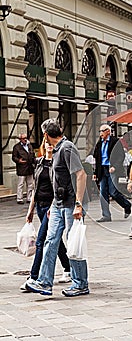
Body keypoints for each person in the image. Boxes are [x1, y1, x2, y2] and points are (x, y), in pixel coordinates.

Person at [25, 118, 89, 297]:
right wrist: (54, 204)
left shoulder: (67, 148)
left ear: (46, 135)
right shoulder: (55, 150)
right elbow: (56, 180)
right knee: (50, 241)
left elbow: (81, 175)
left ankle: (80, 283)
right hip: (58, 204)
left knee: (73, 244)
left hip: (70, 205)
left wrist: (78, 204)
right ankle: (44, 282)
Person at [20, 138, 71, 290]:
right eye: (46, 143)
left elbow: (59, 187)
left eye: (51, 144)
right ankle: (69, 269)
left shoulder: (58, 163)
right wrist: (30, 210)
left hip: (53, 207)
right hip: (40, 207)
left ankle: (34, 277)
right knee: (54, 240)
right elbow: (36, 187)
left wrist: (54, 205)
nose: (49, 146)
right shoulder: (40, 162)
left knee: (41, 241)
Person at [93, 125, 131, 222]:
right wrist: (95, 172)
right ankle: (106, 215)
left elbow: (121, 156)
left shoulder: (115, 141)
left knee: (113, 192)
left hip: (112, 170)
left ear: (108, 132)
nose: (101, 133)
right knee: (103, 193)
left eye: (102, 131)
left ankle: (127, 205)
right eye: (99, 131)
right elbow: (96, 158)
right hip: (102, 169)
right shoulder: (99, 143)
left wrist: (115, 166)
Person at [12, 133, 35, 204]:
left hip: (30, 167)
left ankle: (29, 198)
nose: (25, 139)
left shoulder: (29, 146)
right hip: (22, 168)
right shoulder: (16, 147)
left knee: (30, 184)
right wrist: (19, 161)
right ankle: (19, 198)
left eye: (26, 137)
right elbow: (14, 157)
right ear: (20, 139)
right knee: (21, 184)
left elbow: (33, 154)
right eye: (23, 138)